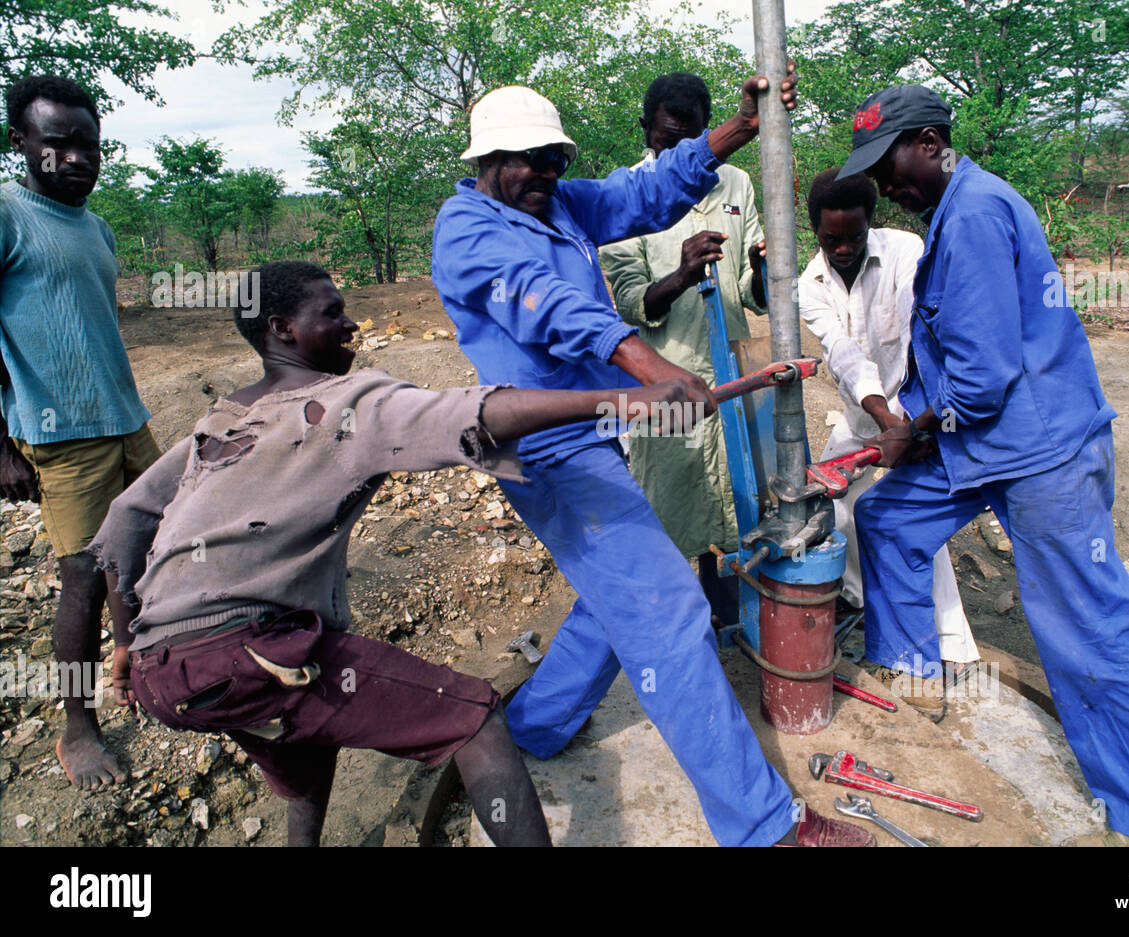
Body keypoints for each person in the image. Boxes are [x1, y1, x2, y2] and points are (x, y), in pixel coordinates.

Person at [90, 260, 707, 846]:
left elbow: (125, 520)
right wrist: (629, 401)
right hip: (243, 650)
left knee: (306, 735)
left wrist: (124, 641)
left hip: (161, 670)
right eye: (333, 313)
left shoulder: (220, 422)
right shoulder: (350, 403)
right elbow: (474, 409)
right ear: (283, 330)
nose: (353, 324)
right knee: (476, 719)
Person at [432, 68, 873, 846]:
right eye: (527, 160)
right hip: (546, 451)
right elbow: (553, 307)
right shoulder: (468, 230)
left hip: (593, 435)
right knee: (669, 605)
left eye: (554, 159)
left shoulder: (560, 203)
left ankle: (527, 729)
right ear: (485, 159)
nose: (544, 173)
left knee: (617, 598)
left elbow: (642, 195)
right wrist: (654, 369)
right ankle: (766, 827)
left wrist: (739, 127)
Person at [841, 84, 1129, 845]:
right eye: (875, 172)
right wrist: (901, 426)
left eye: (893, 163)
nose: (886, 185)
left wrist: (910, 430)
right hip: (985, 441)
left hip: (1040, 451)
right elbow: (951, 365)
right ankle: (913, 671)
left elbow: (979, 380)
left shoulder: (975, 212)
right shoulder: (953, 211)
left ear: (934, 139)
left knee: (1086, 631)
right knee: (887, 515)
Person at [0, 75, 160, 790]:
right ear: (20, 143)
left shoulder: (96, 226)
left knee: (146, 554)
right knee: (83, 580)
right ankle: (77, 725)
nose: (74, 158)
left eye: (87, 144)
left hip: (126, 420)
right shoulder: (7, 213)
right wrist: (0, 444)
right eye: (56, 143)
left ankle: (139, 671)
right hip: (62, 439)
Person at [797, 166, 978, 723]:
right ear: (815, 233)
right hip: (866, 414)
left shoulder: (905, 252)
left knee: (906, 519)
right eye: (832, 240)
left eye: (854, 236)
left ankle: (953, 648)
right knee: (827, 497)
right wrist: (883, 421)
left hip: (921, 409)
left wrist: (914, 426)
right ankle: (862, 598)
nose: (844, 248)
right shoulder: (810, 283)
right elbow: (845, 354)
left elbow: (924, 336)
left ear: (871, 223)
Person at [599, 72, 767, 626]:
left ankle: (731, 609)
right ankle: (676, 624)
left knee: (739, 493)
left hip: (731, 371)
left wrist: (764, 270)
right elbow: (628, 302)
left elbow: (750, 289)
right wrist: (680, 273)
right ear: (646, 131)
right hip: (665, 377)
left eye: (689, 142)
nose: (677, 155)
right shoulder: (624, 197)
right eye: (666, 142)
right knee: (672, 502)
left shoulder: (736, 185)